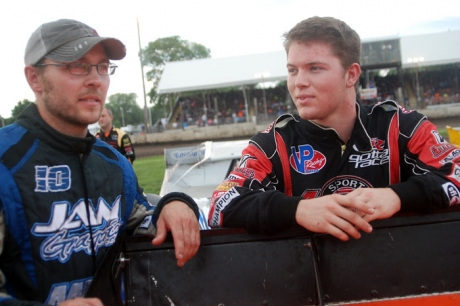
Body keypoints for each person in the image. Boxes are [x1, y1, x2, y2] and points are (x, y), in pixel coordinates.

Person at [0, 19, 200, 306]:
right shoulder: (6, 161)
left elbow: (141, 216)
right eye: (77, 65)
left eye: (103, 67)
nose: (95, 79)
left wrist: (174, 204)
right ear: (34, 78)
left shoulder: (114, 164)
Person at [208, 16, 460, 241]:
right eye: (292, 70)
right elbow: (220, 204)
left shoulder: (400, 126)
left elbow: (455, 172)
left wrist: (397, 197)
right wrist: (298, 210)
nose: (299, 83)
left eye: (314, 68)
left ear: (351, 75)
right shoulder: (272, 143)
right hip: (307, 281)